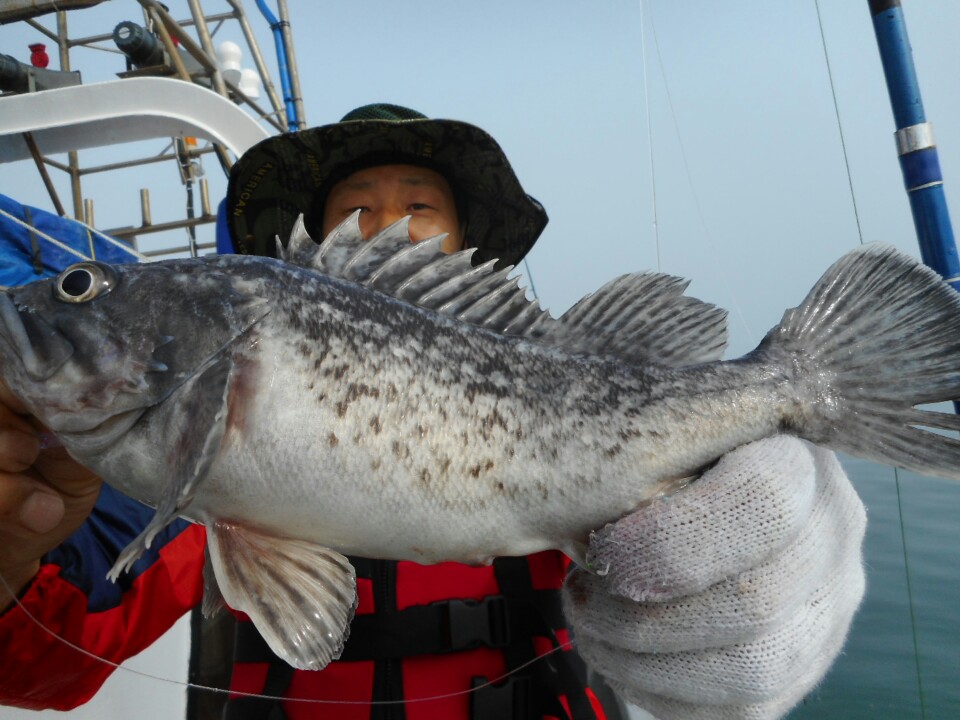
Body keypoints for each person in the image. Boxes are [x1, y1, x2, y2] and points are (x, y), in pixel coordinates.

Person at [0, 104, 867, 720]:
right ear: (314, 251)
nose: (390, 225)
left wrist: (775, 581)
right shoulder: (172, 466)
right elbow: (48, 665)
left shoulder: (568, 374)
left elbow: (716, 568)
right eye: (356, 210)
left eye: (419, 206)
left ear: (465, 248)